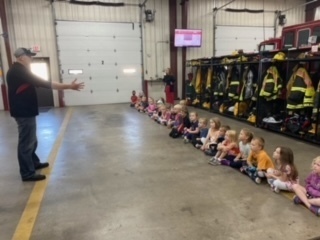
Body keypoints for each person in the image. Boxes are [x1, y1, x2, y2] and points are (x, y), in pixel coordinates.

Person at [7, 47, 84, 182]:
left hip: (26, 110)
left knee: (31, 140)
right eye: (29, 56)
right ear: (21, 58)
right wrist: (69, 86)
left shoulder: (20, 70)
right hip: (23, 111)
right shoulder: (19, 71)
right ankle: (27, 173)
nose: (31, 58)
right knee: (26, 142)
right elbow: (45, 83)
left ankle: (34, 163)